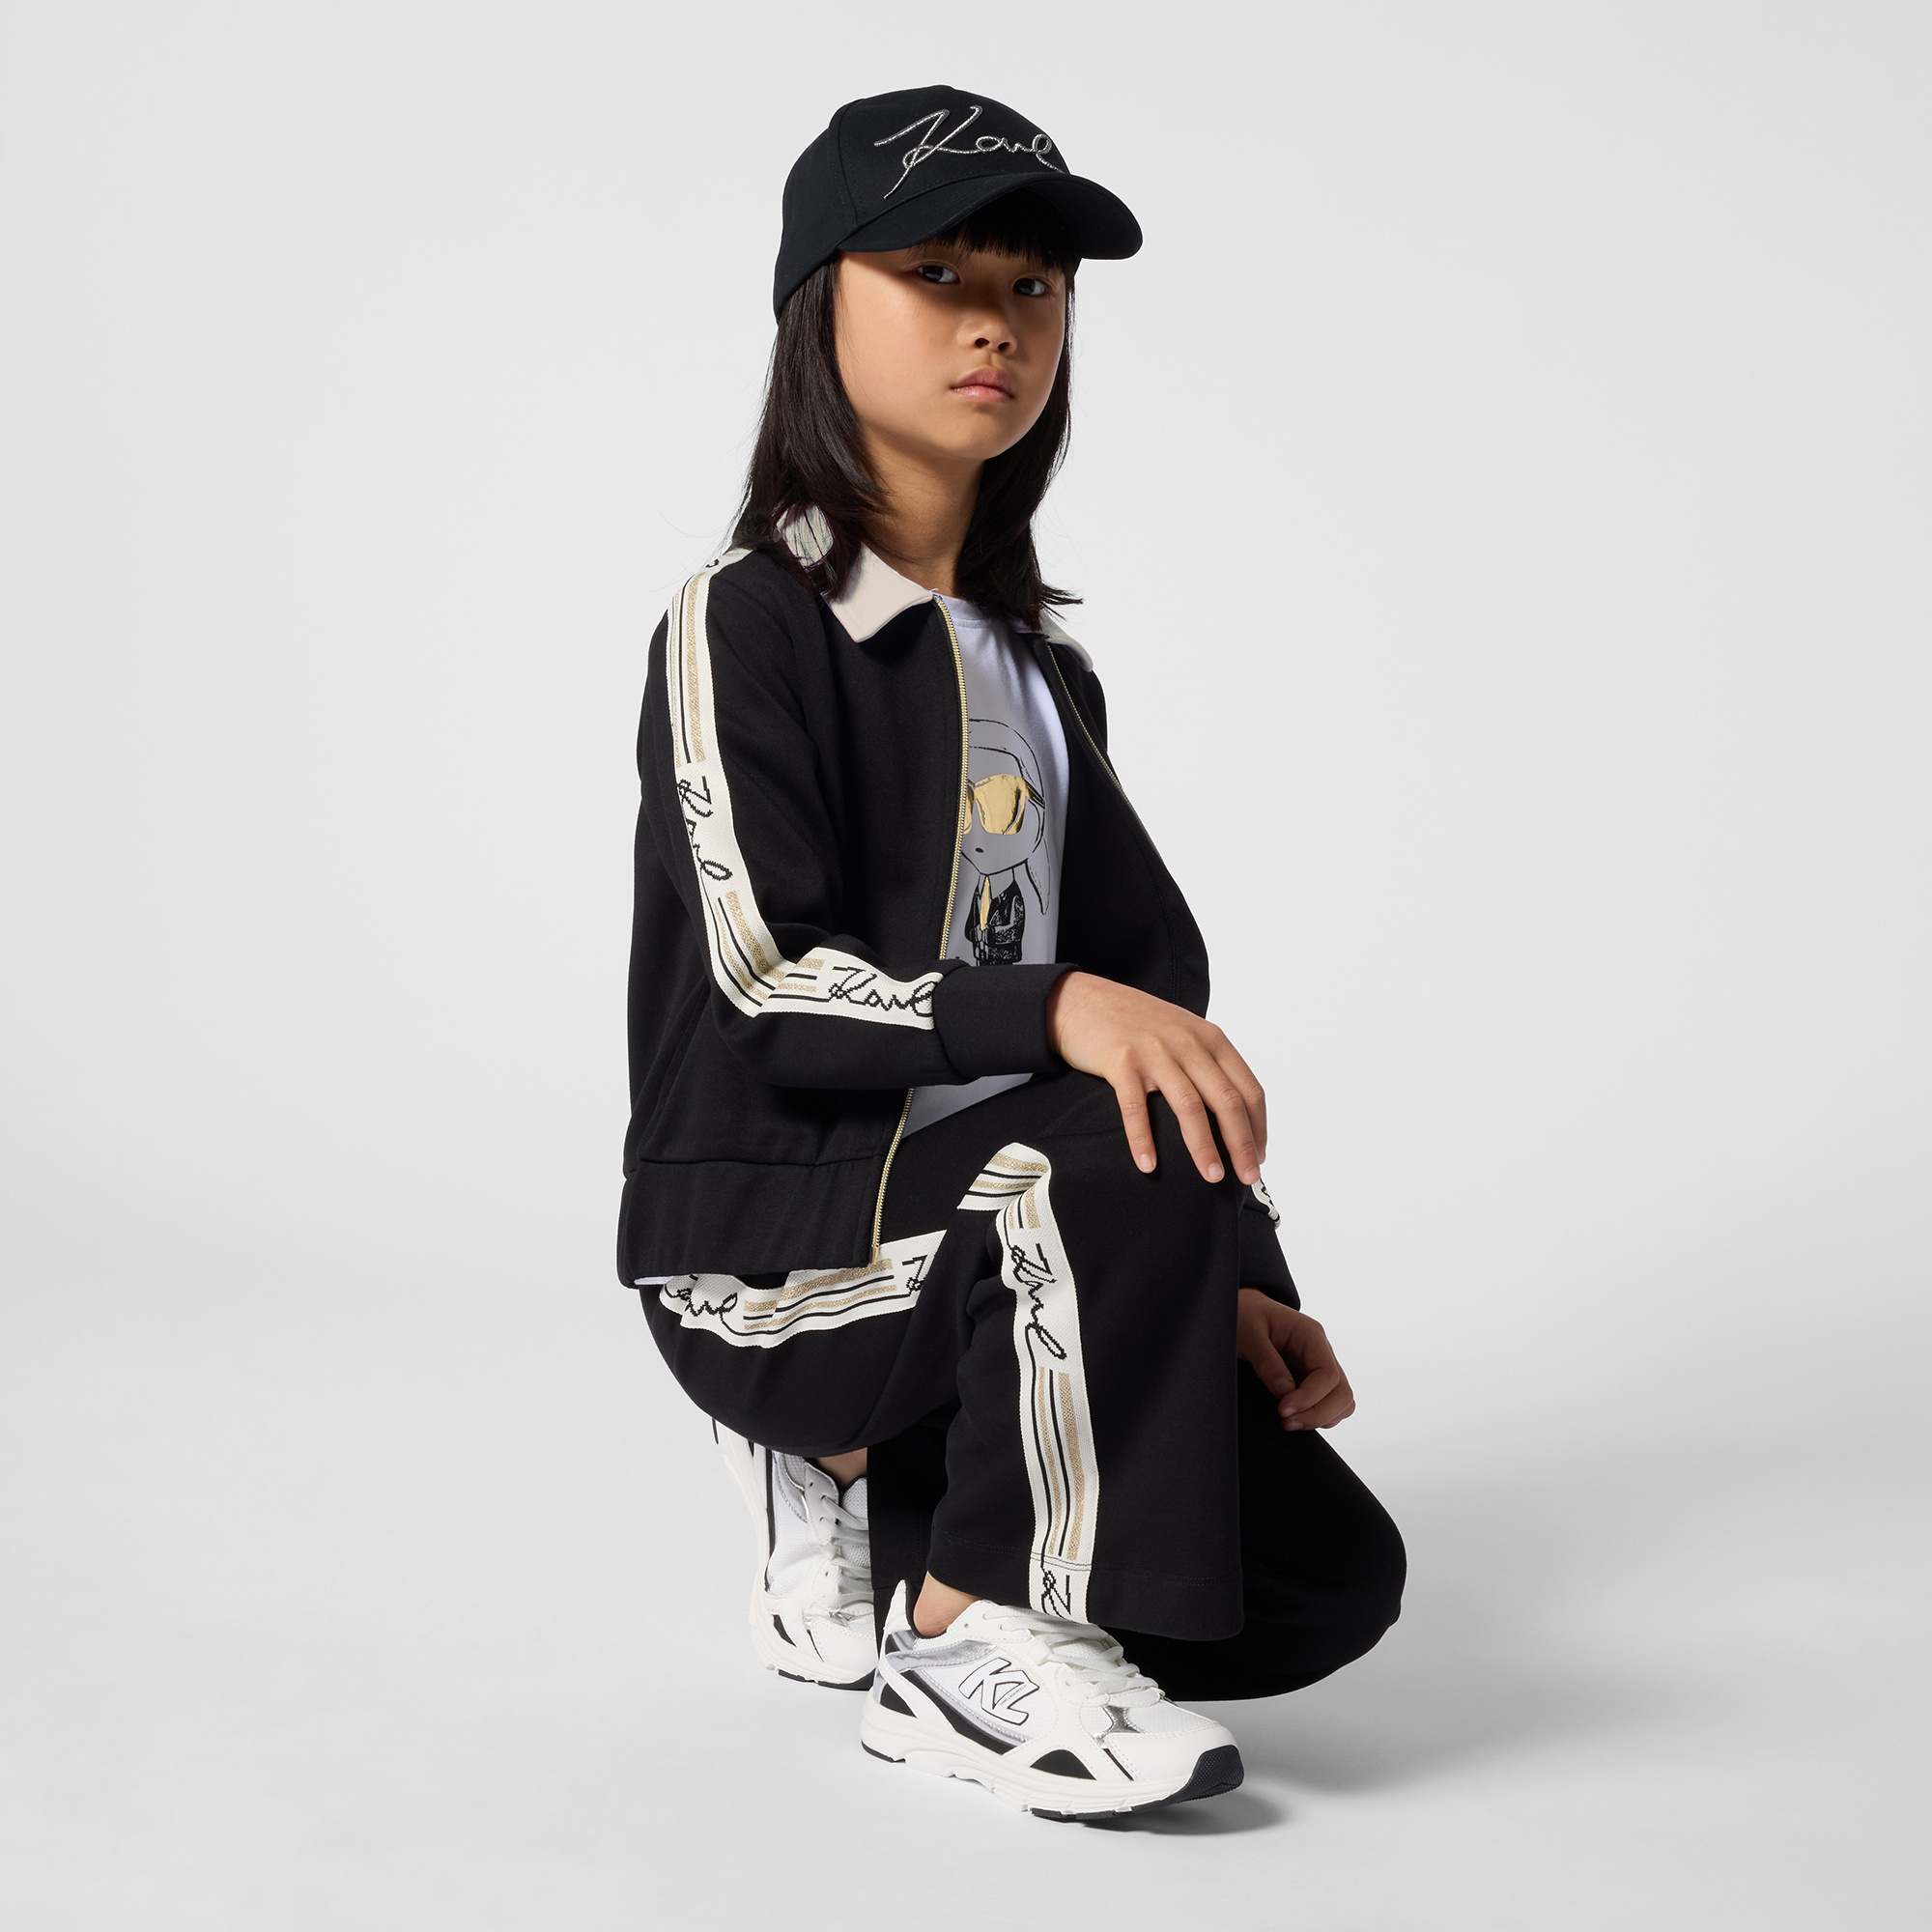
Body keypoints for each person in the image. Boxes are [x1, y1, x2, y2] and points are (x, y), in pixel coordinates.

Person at [620, 84, 1406, 1820]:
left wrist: (1231, 1269)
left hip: (1015, 1224)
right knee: (1084, 1130)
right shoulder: (745, 619)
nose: (997, 322)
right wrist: (1053, 1007)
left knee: (1322, 1578)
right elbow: (760, 982)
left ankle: (886, 1487)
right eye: (936, 274)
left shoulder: (1044, 677)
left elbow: (1149, 1002)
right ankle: (962, 1638)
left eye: (1034, 286)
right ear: (818, 303)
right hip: (772, 1248)